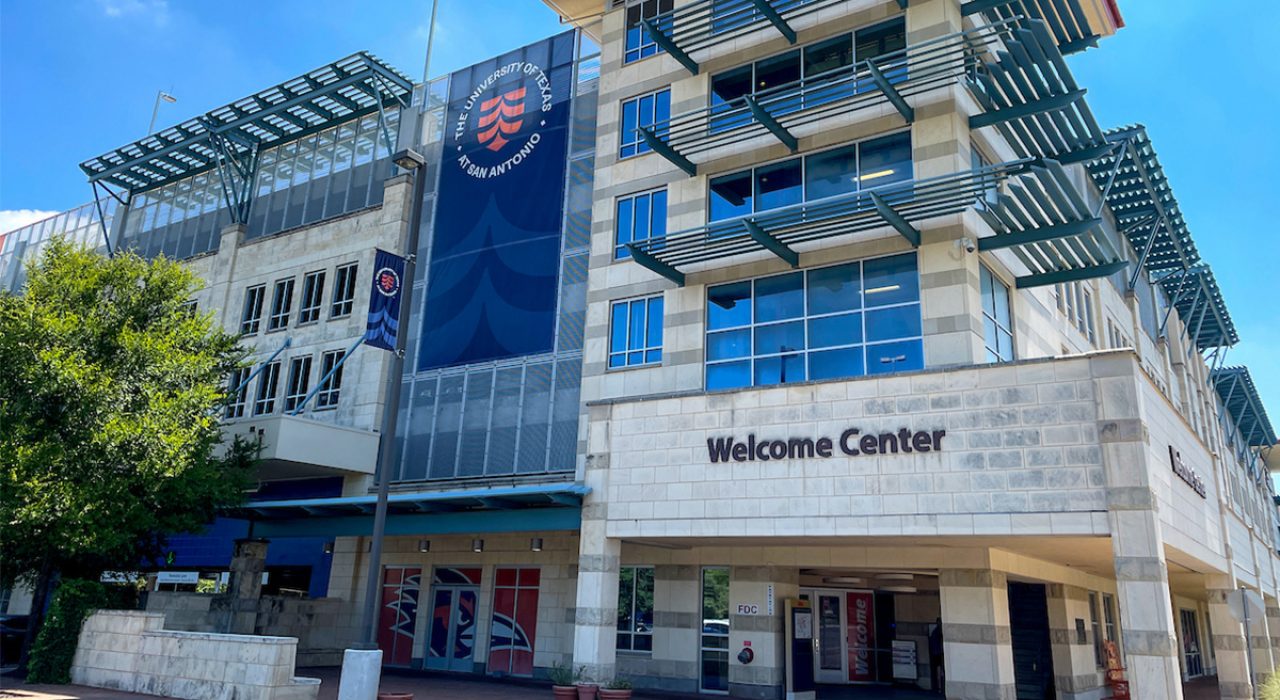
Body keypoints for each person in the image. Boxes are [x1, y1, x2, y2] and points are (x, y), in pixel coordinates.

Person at [929, 617, 944, 694]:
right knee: (939, 670)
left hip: (935, 653)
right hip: (938, 654)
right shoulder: (938, 631)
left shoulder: (934, 632)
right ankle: (940, 688)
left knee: (939, 670)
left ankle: (939, 687)